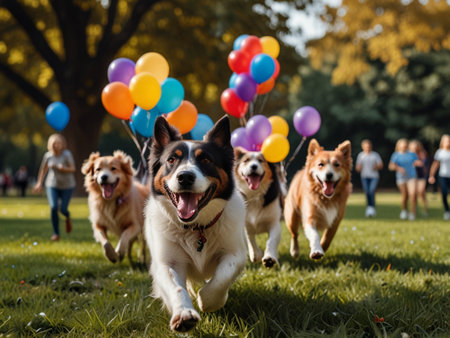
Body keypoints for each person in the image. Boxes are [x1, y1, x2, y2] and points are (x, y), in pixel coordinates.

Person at [33, 134, 76, 240]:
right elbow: (43, 170)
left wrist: (64, 168)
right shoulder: (48, 156)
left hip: (67, 185)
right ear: (50, 144)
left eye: (59, 143)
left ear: (63, 144)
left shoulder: (67, 154)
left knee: (63, 209)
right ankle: (56, 233)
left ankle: (67, 216)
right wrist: (39, 183)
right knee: (53, 207)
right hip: (52, 184)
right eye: (54, 143)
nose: (56, 145)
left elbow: (73, 168)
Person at [389, 138, 422, 221]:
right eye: (402, 145)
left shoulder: (412, 154)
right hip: (401, 178)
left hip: (411, 177)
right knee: (405, 195)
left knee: (413, 194)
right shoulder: (396, 155)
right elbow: (391, 166)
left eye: (405, 145)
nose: (404, 146)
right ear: (399, 146)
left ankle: (412, 213)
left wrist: (418, 163)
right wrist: (398, 168)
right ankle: (404, 211)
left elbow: (417, 162)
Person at [355, 139, 383, 217]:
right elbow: (357, 167)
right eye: (366, 146)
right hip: (364, 176)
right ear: (363, 147)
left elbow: (380, 165)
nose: (367, 148)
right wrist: (359, 168)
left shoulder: (375, 155)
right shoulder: (361, 155)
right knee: (367, 191)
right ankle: (369, 207)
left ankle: (372, 207)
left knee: (371, 190)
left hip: (374, 176)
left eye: (369, 146)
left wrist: (376, 166)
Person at [428, 134, 450, 220]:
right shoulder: (440, 152)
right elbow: (435, 164)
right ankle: (447, 211)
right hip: (443, 175)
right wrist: (431, 175)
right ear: (443, 142)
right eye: (447, 140)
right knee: (444, 193)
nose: (448, 142)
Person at [408, 140, 430, 217]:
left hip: (421, 176)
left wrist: (418, 163)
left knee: (421, 192)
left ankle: (425, 208)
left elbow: (424, 164)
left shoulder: (422, 154)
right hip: (411, 176)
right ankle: (413, 210)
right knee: (413, 194)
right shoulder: (408, 154)